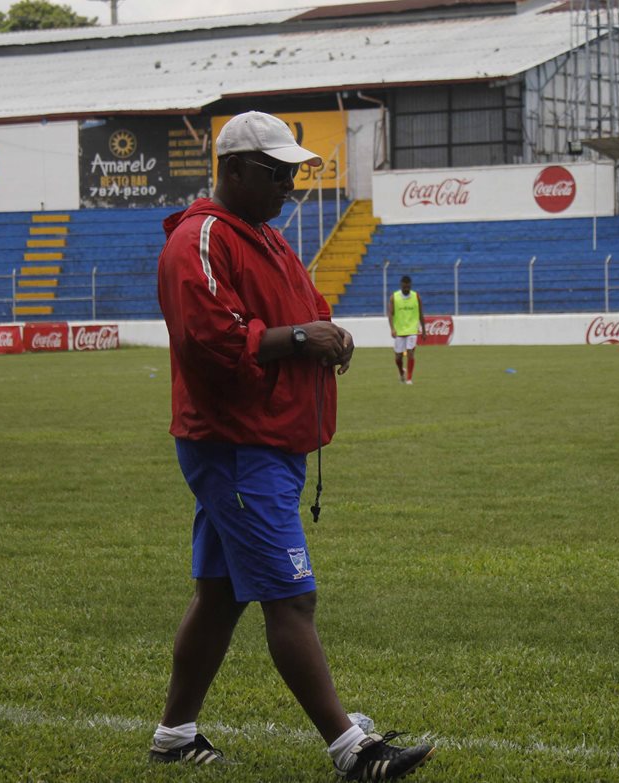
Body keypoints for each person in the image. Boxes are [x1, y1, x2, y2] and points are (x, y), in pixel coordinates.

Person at [152, 110, 435, 780]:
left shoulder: (265, 238)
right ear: (235, 169)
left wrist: (326, 334)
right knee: (291, 597)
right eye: (277, 172)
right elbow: (213, 339)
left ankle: (174, 735)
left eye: (294, 173)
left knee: (220, 594)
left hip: (265, 442)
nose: (289, 185)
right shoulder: (202, 240)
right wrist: (305, 338)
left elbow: (305, 316)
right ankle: (351, 750)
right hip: (237, 443)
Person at [387, 275, 425, 384]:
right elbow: (390, 314)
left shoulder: (416, 296)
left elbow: (421, 314)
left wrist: (424, 330)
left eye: (408, 287)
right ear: (401, 286)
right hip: (399, 331)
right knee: (398, 357)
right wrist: (392, 329)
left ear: (410, 286)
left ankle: (409, 378)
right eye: (404, 287)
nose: (406, 289)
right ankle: (401, 372)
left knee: (410, 353)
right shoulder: (394, 297)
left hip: (412, 330)